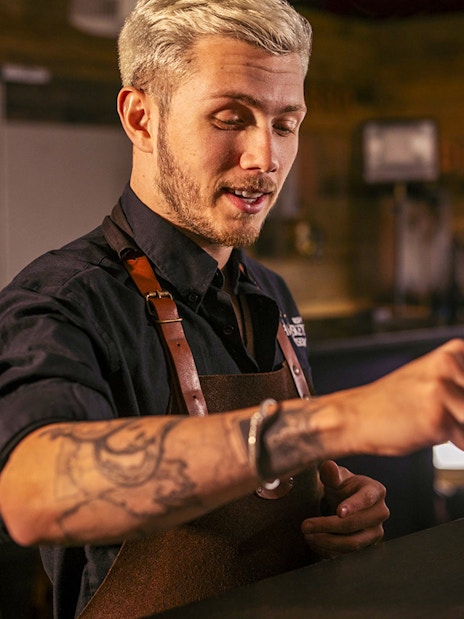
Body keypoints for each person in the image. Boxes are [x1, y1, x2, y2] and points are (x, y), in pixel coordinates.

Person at [0, 0, 463, 617]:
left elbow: (279, 480)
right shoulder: (62, 301)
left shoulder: (270, 292)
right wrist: (337, 420)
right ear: (141, 118)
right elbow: (37, 492)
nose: (264, 159)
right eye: (230, 117)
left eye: (285, 124)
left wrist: (335, 503)